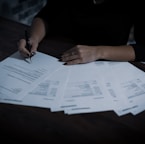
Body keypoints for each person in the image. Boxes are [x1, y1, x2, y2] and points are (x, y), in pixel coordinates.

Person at [18, 0, 145, 65]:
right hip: (59, 54)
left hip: (108, 61)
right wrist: (33, 37)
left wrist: (98, 52)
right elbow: (47, 14)